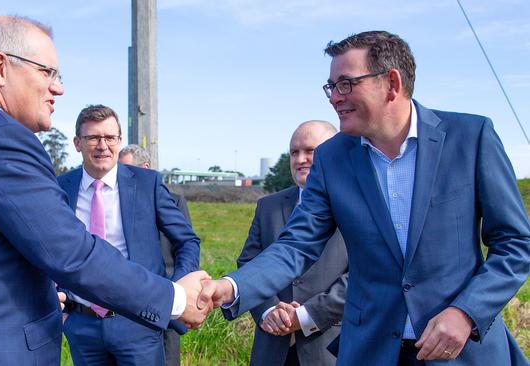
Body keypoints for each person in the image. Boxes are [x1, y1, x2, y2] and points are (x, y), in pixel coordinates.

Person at [199, 31, 530, 366]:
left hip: (461, 352)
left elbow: (515, 242)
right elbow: (295, 246)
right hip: (370, 351)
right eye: (331, 87)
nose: (334, 98)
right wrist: (230, 287)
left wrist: (466, 312)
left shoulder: (471, 138)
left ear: (392, 83)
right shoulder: (332, 158)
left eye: (345, 83)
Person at [0, 16, 209, 366]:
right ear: (1, 67)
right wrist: (175, 299)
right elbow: (71, 253)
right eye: (47, 72)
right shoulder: (1, 139)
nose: (58, 88)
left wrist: (44, 295)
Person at [57, 107, 200, 365]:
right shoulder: (60, 187)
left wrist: (174, 292)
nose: (103, 146)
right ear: (77, 143)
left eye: (110, 137)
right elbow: (45, 248)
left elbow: (187, 241)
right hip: (82, 325)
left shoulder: (147, 184)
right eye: (93, 138)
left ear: (119, 141)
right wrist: (63, 311)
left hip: (139, 322)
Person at [237, 121, 348, 366]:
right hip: (272, 346)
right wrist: (269, 311)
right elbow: (248, 262)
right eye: (294, 152)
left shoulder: (355, 205)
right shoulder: (268, 206)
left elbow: (363, 275)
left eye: (310, 151)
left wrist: (306, 315)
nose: (300, 159)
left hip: (329, 347)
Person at [119, 143, 192, 366]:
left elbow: (186, 246)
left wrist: (177, 290)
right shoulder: (115, 202)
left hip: (165, 299)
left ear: (147, 168)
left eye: (126, 170)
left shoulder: (175, 201)